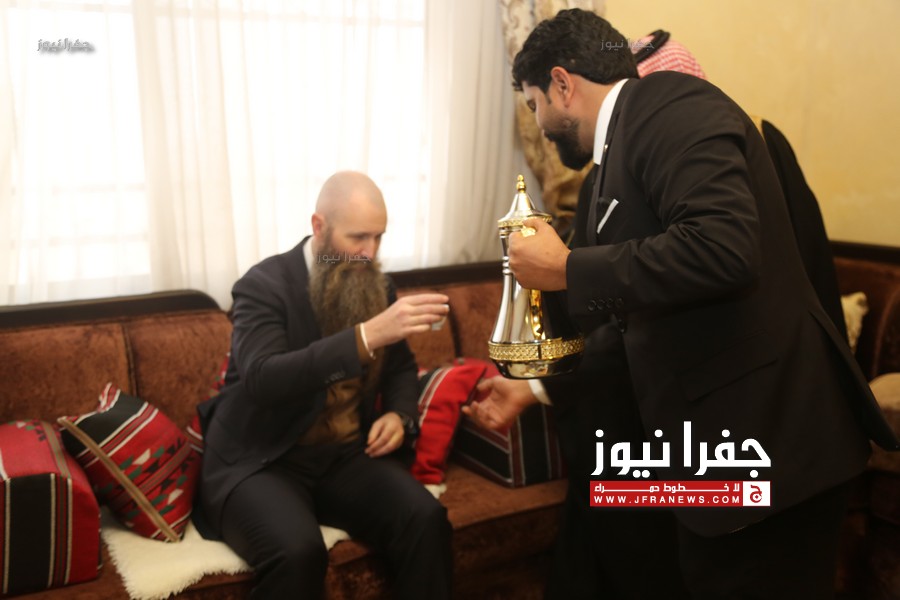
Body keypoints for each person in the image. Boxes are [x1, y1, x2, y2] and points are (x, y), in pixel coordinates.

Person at [474, 9, 899, 598]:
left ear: (562, 84)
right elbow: (641, 319)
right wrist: (536, 386)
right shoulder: (619, 154)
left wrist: (566, 268)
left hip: (773, 449)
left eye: (533, 103)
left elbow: (724, 248)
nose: (539, 124)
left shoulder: (668, 104)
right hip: (720, 459)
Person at [194, 171, 453, 598]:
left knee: (425, 518)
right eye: (358, 238)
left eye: (379, 237)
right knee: (298, 553)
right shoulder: (263, 286)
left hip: (343, 457)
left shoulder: (376, 283)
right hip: (264, 458)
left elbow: (401, 367)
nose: (370, 253)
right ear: (319, 226)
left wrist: (399, 414)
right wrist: (364, 337)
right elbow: (263, 377)